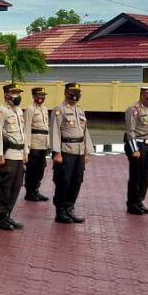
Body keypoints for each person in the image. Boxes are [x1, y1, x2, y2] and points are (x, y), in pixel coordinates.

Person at [50, 82, 94, 224]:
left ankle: (70, 208)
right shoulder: (59, 110)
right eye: (72, 92)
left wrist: (87, 151)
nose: (75, 95)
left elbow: (84, 132)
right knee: (64, 181)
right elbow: (55, 132)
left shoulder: (80, 111)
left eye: (78, 92)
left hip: (79, 152)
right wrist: (56, 152)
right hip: (66, 151)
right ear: (65, 93)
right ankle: (60, 211)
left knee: (76, 181)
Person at [0, 83, 27, 230]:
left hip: (19, 154)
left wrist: (25, 151)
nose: (17, 96)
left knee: (16, 186)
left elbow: (23, 133)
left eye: (18, 93)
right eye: (14, 93)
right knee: (5, 186)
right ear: (6, 94)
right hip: (8, 154)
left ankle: (7, 214)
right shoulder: (0, 112)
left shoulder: (19, 111)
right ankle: (0, 217)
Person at [125, 84, 148, 215]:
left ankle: (140, 201)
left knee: (145, 176)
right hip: (137, 145)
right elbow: (130, 131)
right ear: (143, 94)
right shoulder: (133, 110)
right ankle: (132, 204)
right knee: (136, 176)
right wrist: (134, 149)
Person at [23, 86, 51, 202]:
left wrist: (48, 143)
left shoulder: (44, 108)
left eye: (43, 96)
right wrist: (27, 146)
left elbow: (46, 127)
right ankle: (29, 192)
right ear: (34, 96)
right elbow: (27, 127)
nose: (41, 98)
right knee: (32, 169)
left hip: (43, 143)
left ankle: (36, 190)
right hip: (34, 144)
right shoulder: (30, 109)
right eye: (39, 95)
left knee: (40, 168)